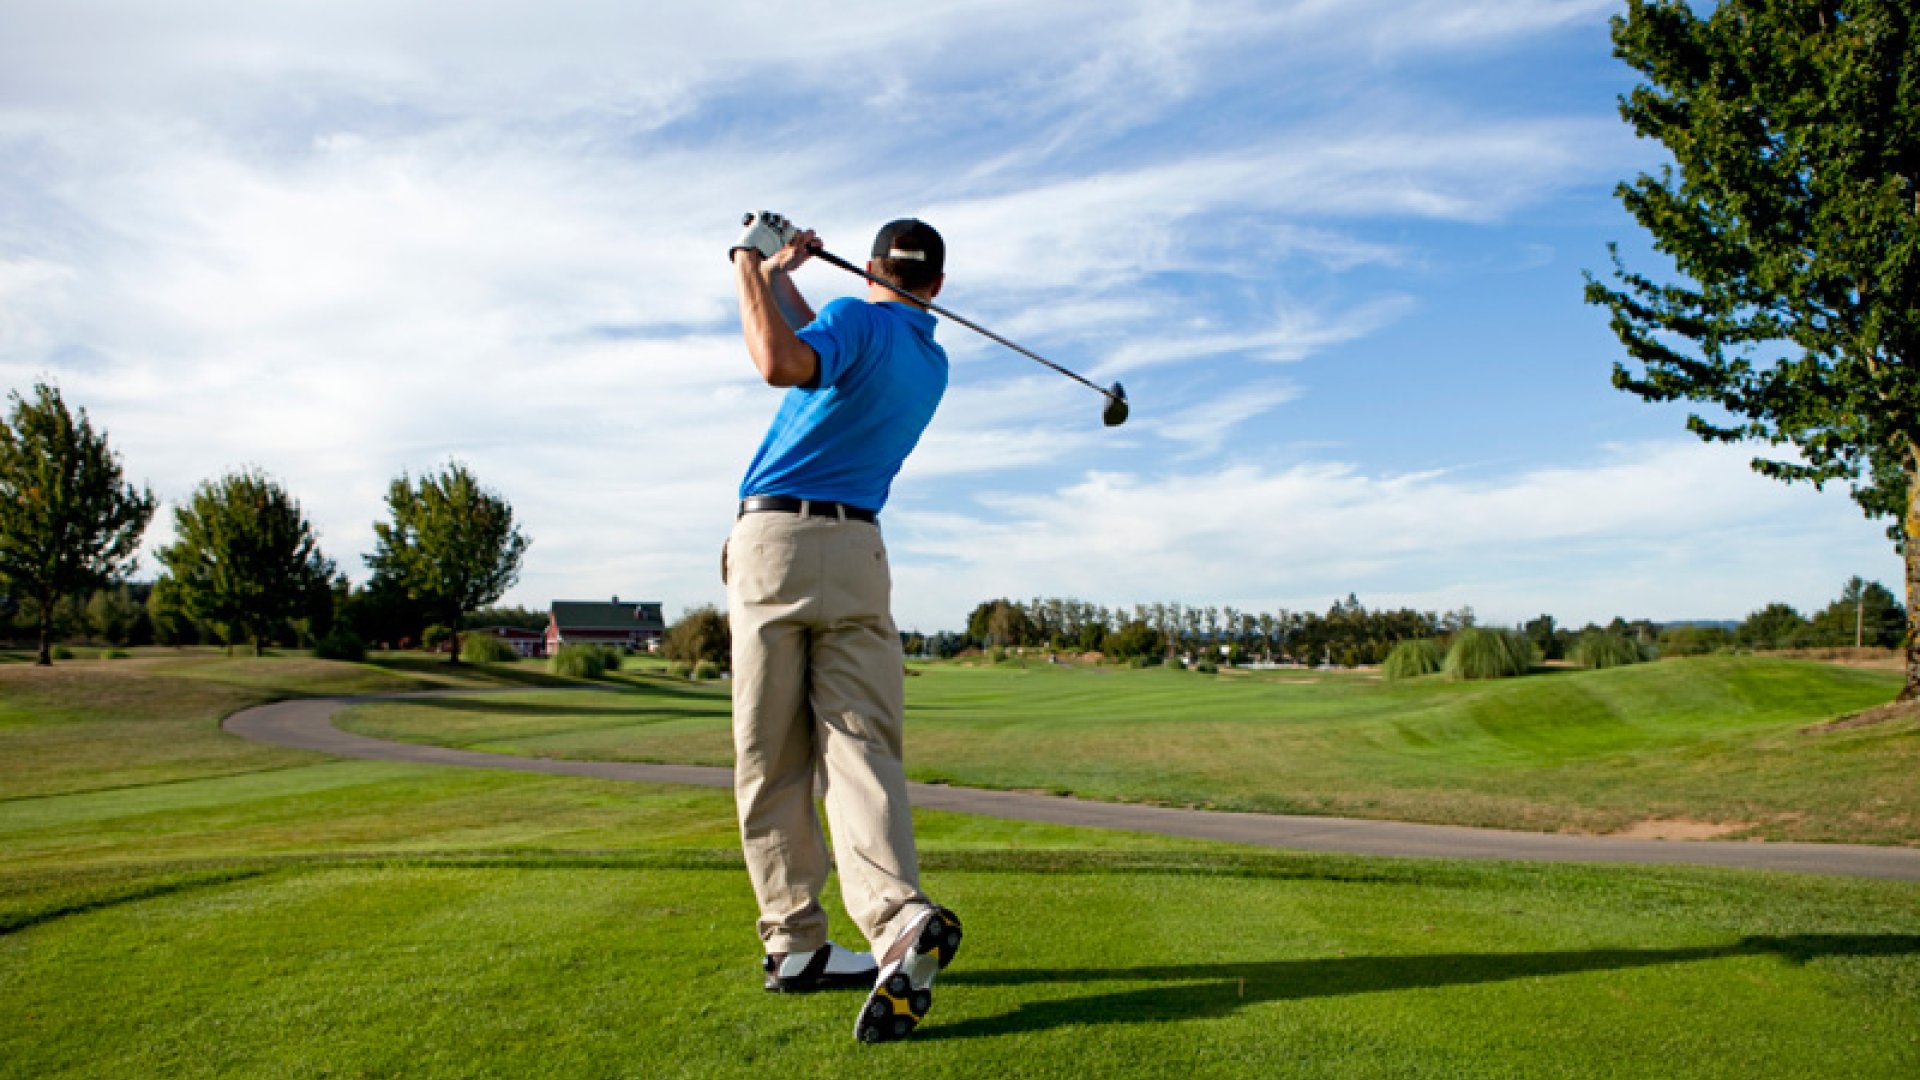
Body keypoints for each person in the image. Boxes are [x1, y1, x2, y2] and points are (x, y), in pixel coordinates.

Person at [724, 212, 963, 1043]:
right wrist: (785, 279)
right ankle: (897, 921)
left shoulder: (852, 319)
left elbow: (781, 361)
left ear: (868, 268)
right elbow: (830, 340)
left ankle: (793, 939)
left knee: (771, 757)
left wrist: (747, 263)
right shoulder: (928, 360)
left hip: (777, 545)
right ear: (936, 285)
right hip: (859, 552)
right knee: (860, 750)